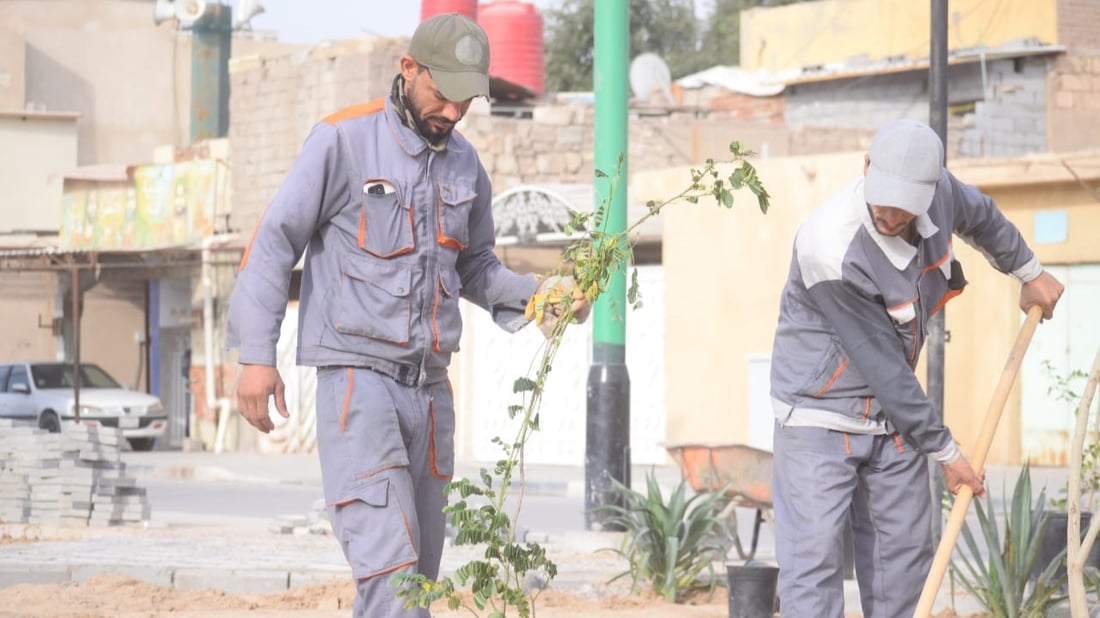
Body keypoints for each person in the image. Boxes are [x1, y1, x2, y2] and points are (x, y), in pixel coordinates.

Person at [225, 13, 588, 617]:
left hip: (430, 397)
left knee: (416, 585)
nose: (451, 111)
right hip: (358, 386)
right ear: (408, 69)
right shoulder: (341, 141)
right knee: (393, 584)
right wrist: (257, 356)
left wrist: (540, 295)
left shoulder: (466, 166)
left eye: (465, 100)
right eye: (441, 94)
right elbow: (272, 242)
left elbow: (475, 269)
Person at [768, 118, 1064, 617]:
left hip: (893, 419)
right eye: (882, 196)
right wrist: (948, 453)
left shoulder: (942, 193)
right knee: (813, 573)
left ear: (931, 190)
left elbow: (984, 219)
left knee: (904, 573)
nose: (890, 212)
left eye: (906, 204)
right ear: (866, 167)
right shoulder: (829, 245)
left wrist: (1028, 271)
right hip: (818, 415)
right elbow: (883, 367)